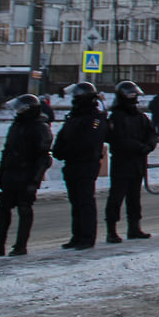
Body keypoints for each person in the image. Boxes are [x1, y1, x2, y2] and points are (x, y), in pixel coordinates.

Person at [0, 93, 53, 257]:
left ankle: (20, 246)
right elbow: (7, 152)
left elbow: (44, 158)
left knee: (24, 210)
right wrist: (0, 176)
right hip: (10, 175)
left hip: (26, 176)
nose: (17, 112)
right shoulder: (16, 125)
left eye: (20, 109)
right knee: (2, 211)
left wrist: (34, 181)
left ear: (28, 109)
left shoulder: (40, 127)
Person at [52, 81, 107, 249]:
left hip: (86, 163)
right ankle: (77, 235)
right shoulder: (75, 116)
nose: (74, 99)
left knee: (85, 201)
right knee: (75, 202)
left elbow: (89, 141)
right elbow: (63, 136)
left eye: (77, 96)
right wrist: (59, 150)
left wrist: (68, 150)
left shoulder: (95, 118)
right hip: (72, 163)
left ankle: (87, 237)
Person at [104, 80, 158, 242]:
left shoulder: (140, 116)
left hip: (137, 163)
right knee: (116, 197)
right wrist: (140, 147)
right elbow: (118, 139)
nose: (134, 99)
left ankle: (134, 228)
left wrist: (149, 145)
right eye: (131, 95)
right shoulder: (116, 117)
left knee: (135, 198)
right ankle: (111, 231)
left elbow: (152, 133)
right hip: (122, 162)